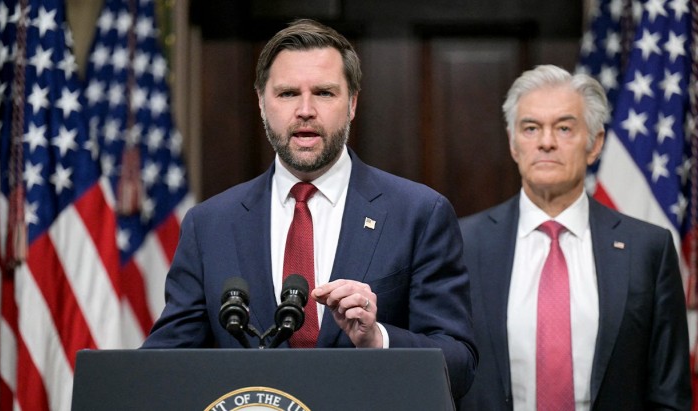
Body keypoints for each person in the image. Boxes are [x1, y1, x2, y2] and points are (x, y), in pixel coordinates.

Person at [142, 18, 477, 400]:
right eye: (287, 93)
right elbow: (164, 366)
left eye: (324, 92)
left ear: (352, 103)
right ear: (261, 103)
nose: (305, 110)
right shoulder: (209, 225)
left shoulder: (419, 214)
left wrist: (377, 339)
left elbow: (459, 365)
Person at [457, 64, 691, 410]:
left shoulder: (647, 249)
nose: (546, 142)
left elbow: (669, 393)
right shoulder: (464, 243)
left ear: (595, 144)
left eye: (564, 128)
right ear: (513, 144)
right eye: (531, 128)